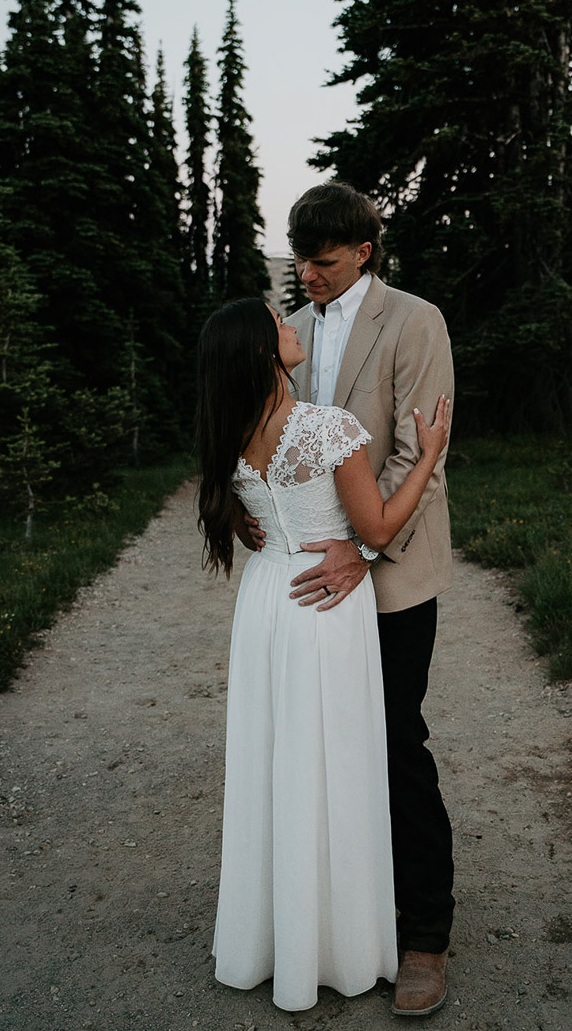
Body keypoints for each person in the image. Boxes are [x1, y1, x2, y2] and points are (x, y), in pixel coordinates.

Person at [195, 297, 450, 1013]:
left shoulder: (231, 429)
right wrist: (428, 453)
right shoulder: (324, 427)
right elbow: (372, 524)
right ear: (260, 351)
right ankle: (340, 938)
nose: (293, 325)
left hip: (268, 600)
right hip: (325, 608)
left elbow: (249, 517)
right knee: (338, 763)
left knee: (277, 761)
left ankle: (277, 935)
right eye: (279, 323)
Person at [283, 181, 456, 1017]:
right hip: (315, 566)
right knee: (326, 748)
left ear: (363, 251)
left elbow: (420, 454)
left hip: (389, 570)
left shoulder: (415, 320)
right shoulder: (295, 331)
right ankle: (346, 921)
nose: (306, 275)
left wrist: (361, 547)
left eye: (320, 261)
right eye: (299, 259)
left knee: (394, 741)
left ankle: (424, 934)